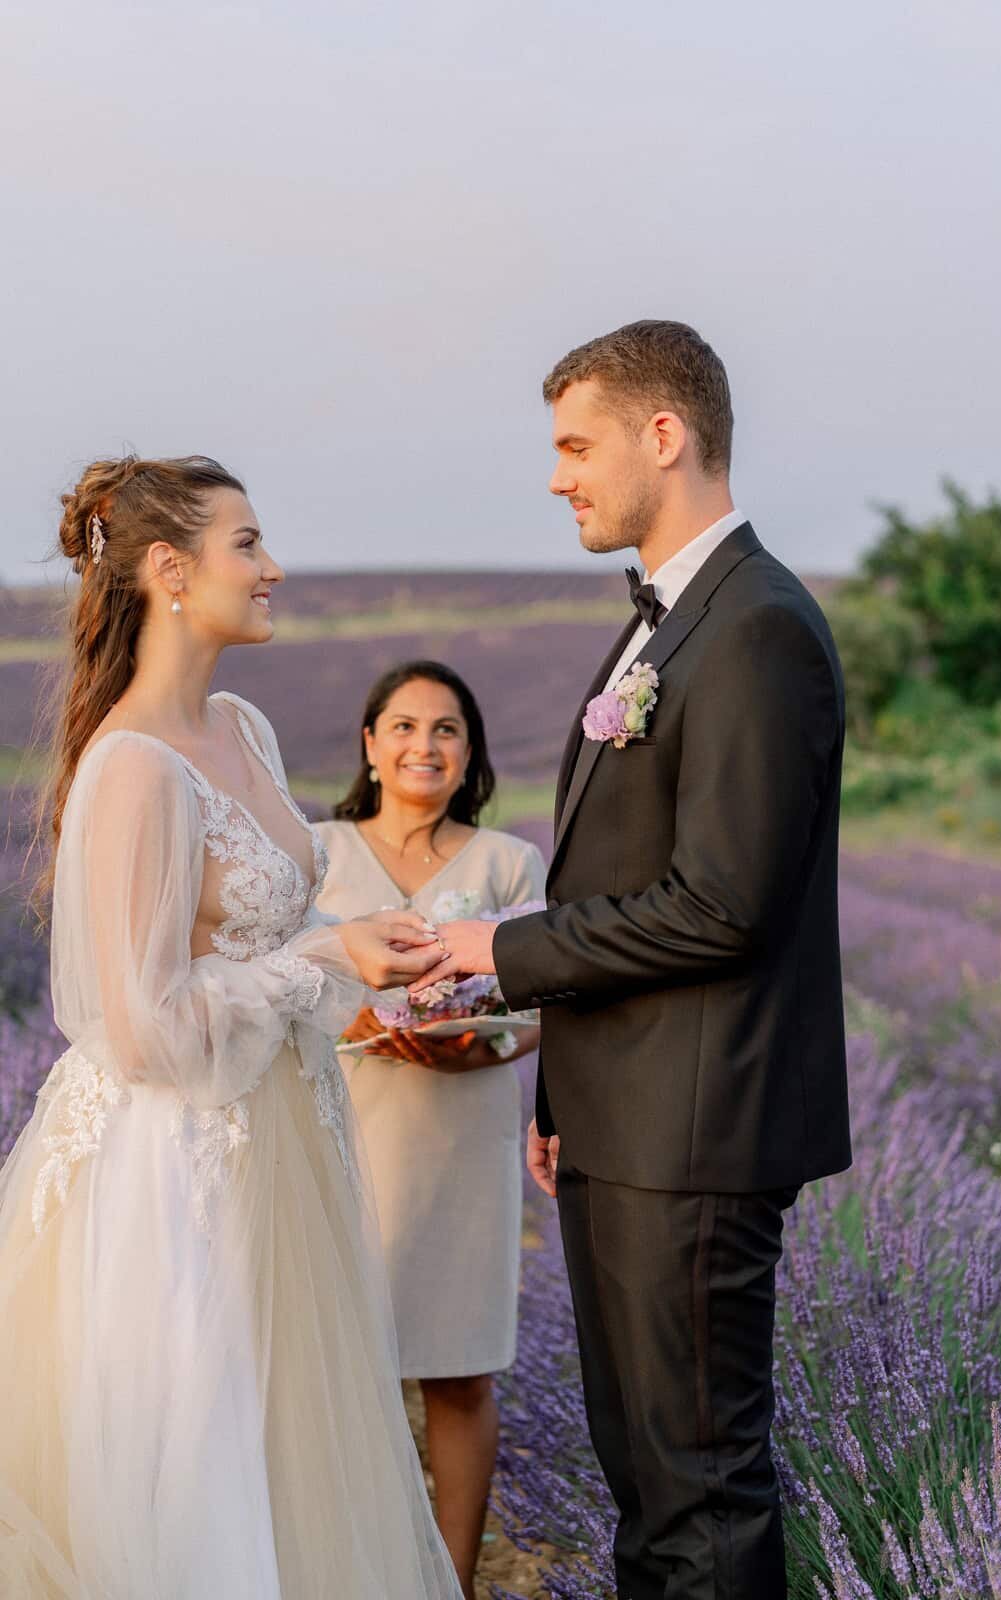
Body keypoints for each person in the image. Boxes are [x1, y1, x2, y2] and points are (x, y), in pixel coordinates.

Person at [414, 321, 852, 1600]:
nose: (556, 477)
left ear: (662, 435)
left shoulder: (756, 626)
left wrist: (501, 948)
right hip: (626, 1125)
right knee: (648, 1490)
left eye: (574, 446)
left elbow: (722, 907)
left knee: (697, 1495)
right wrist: (562, 1098)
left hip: (695, 1134)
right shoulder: (666, 622)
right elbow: (621, 873)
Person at [0, 456, 463, 1599]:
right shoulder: (131, 767)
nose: (274, 569)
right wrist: (327, 959)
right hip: (179, 1166)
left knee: (291, 1443)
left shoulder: (244, 728)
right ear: (169, 569)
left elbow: (266, 930)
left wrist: (365, 942)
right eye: (247, 544)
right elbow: (141, 1027)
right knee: (203, 1459)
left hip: (285, 1132)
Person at [314, 660, 545, 1600]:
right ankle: (340, 1572)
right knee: (333, 1368)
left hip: (461, 1134)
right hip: (335, 1132)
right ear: (370, 745)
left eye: (446, 729)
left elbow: (546, 1006)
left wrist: (487, 1046)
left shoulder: (510, 864)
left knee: (459, 1369)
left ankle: (451, 1583)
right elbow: (271, 975)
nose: (425, 745)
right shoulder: (317, 852)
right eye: (404, 726)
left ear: (470, 753)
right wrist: (351, 1018)